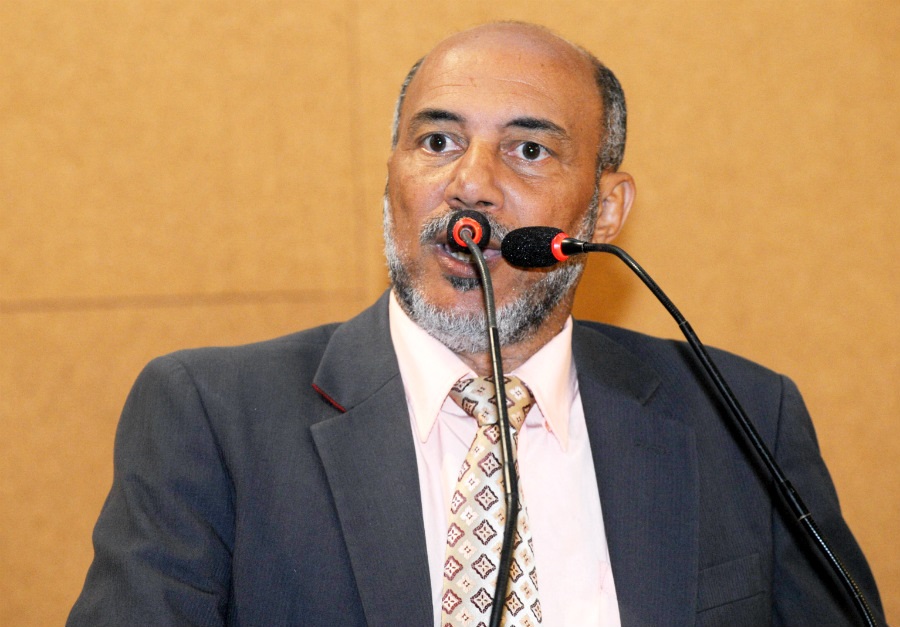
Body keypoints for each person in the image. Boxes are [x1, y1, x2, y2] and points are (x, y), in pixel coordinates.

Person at [68, 21, 884, 626]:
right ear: (392, 177)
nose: (471, 183)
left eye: (528, 150)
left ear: (604, 209)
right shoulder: (214, 416)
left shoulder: (742, 418)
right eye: (437, 140)